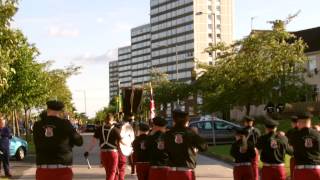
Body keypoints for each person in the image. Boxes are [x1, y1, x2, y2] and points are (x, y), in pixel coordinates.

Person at [33, 100, 83, 180]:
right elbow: (79, 142)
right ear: (60, 111)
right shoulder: (65, 124)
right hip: (62, 169)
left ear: (48, 109)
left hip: (43, 169)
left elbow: (37, 142)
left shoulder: (37, 125)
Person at [164, 109, 208, 180]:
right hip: (186, 171)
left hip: (172, 171)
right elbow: (204, 147)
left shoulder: (167, 134)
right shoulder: (190, 133)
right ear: (186, 121)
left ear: (174, 120)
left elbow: (163, 150)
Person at [84, 113, 122, 180]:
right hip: (113, 153)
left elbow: (93, 142)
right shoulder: (115, 129)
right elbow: (122, 142)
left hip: (103, 153)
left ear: (105, 120)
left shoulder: (99, 129)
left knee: (108, 172)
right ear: (112, 120)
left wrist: (87, 151)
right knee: (112, 172)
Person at [291, 112, 320, 180]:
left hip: (301, 171)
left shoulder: (294, 135)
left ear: (298, 122)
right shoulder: (317, 134)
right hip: (316, 170)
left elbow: (291, 148)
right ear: (310, 122)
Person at [243, 116, 261, 180]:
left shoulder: (243, 130)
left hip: (245, 150)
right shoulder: (257, 131)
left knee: (245, 167)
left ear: (245, 122)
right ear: (252, 122)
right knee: (254, 168)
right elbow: (260, 142)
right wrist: (258, 153)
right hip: (254, 150)